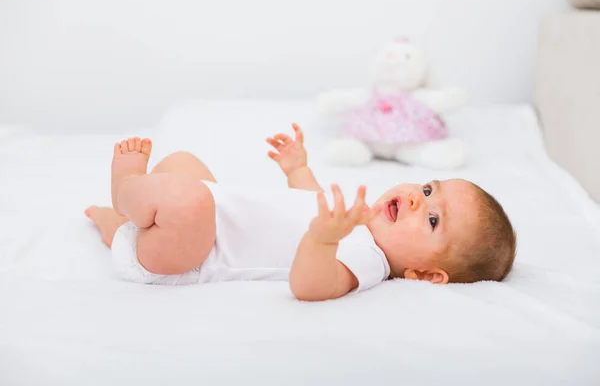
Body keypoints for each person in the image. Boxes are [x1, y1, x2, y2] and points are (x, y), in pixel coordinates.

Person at [86, 124, 516, 301]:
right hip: (197, 225)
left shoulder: (369, 261)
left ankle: (125, 193)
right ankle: (121, 224)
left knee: (190, 199)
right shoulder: (353, 217)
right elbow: (305, 201)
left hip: (188, 256)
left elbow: (309, 285)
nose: (419, 199)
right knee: (186, 167)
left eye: (433, 219)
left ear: (424, 274)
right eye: (427, 188)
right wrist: (299, 169)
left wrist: (324, 239)